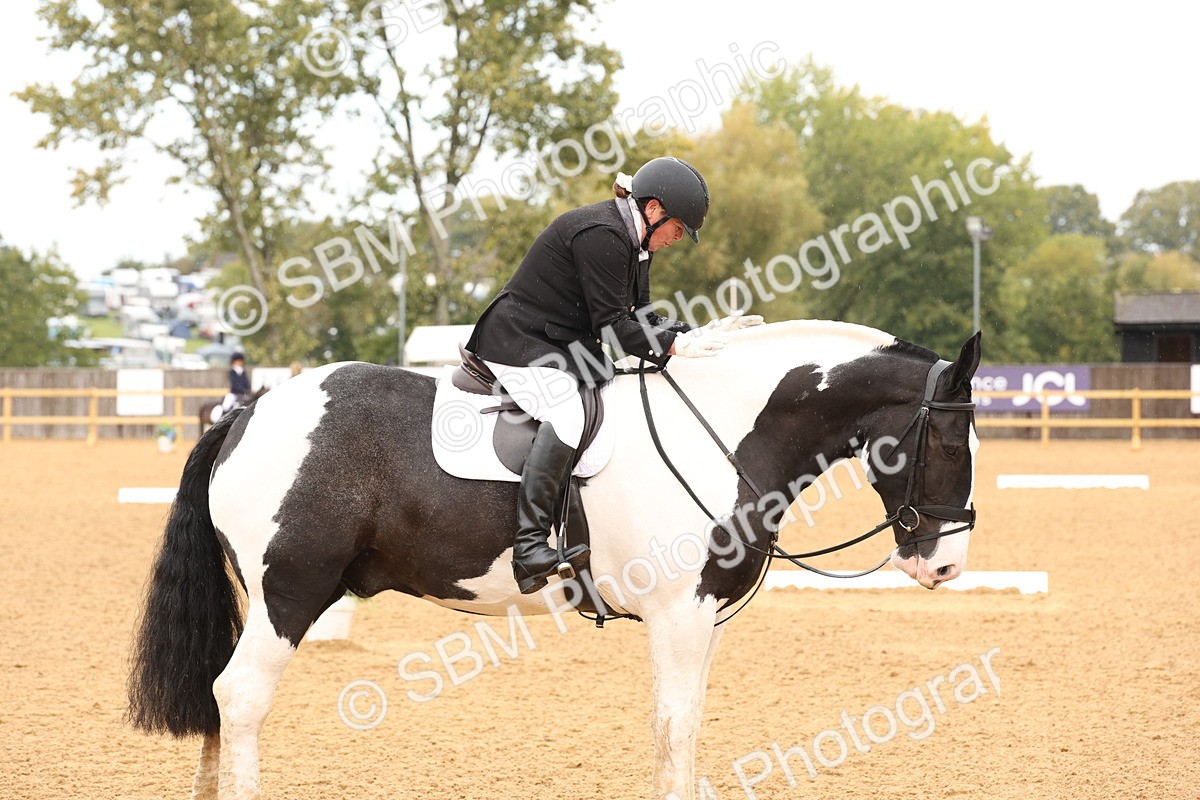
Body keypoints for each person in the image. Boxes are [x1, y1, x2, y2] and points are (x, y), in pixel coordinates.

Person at [465, 156, 763, 594]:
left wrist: (693, 332)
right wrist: (677, 346)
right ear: (655, 209)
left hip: (558, 345)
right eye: (678, 229)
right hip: (518, 342)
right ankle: (529, 549)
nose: (678, 239)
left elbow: (639, 314)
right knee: (567, 414)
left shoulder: (635, 242)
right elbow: (614, 327)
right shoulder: (603, 235)